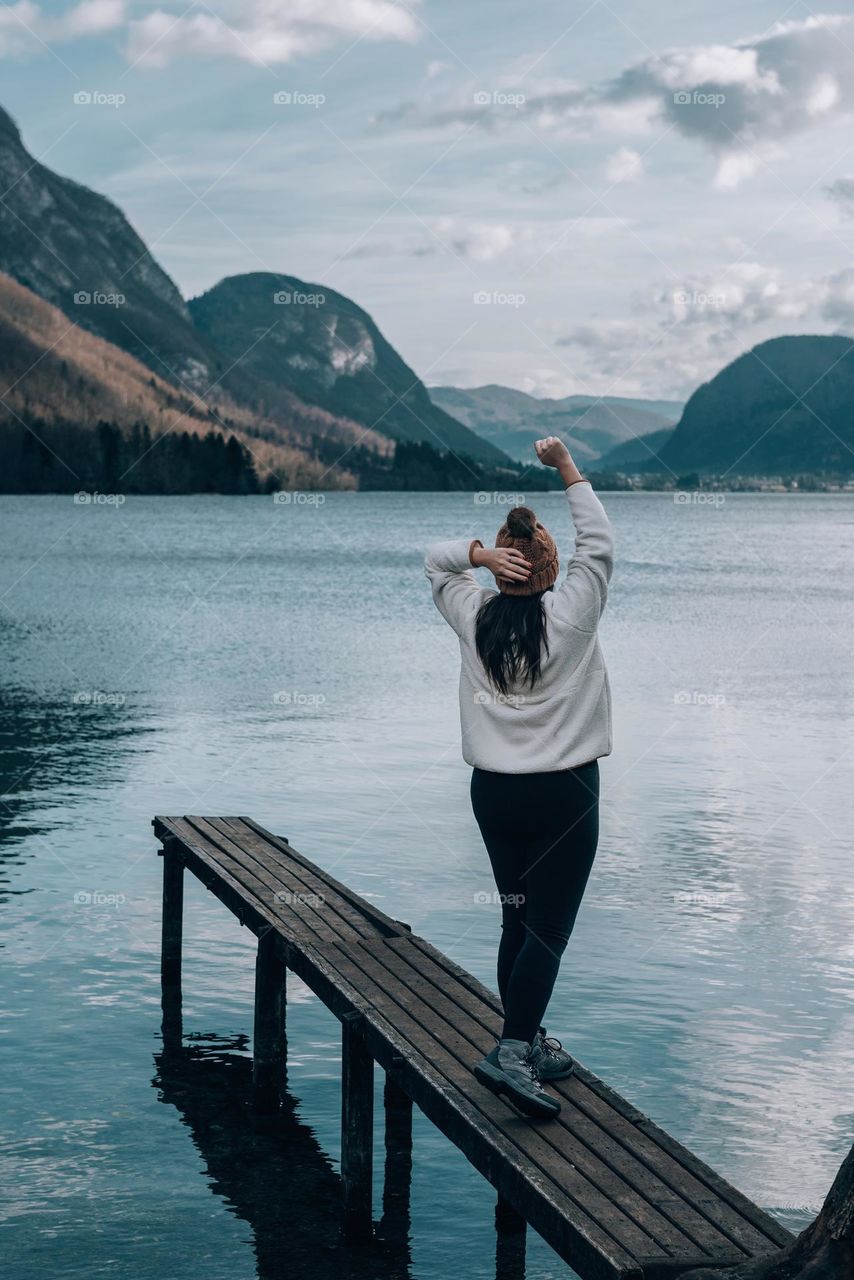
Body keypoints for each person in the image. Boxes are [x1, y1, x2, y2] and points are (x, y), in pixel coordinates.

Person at [424, 436, 614, 1119]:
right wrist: (565, 465)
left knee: (517, 918)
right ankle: (510, 1052)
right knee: (548, 932)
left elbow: (433, 562)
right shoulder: (573, 613)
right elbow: (599, 542)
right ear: (546, 567)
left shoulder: (472, 614)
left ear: (503, 566)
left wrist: (475, 556)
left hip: (494, 795)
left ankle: (525, 1041)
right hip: (565, 794)